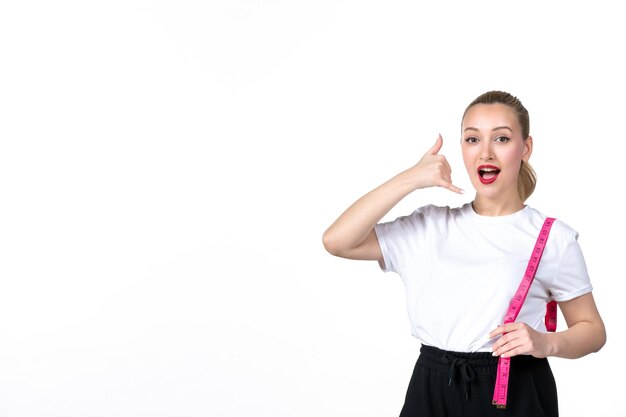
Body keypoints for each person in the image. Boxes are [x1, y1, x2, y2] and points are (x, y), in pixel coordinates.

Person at [322, 90, 606, 416]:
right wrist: (409, 180)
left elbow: (592, 330)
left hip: (515, 388)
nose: (485, 152)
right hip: (431, 386)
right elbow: (337, 241)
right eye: (472, 140)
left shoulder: (553, 238)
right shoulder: (428, 227)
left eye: (501, 138)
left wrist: (546, 343)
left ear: (525, 148)